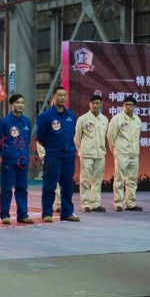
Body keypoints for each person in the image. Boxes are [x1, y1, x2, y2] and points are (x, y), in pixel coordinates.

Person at [36, 86, 80, 223]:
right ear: (53, 97)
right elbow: (40, 136)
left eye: (64, 95)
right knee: (50, 185)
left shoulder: (71, 115)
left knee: (67, 186)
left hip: (68, 155)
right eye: (59, 95)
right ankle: (47, 213)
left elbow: (72, 133)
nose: (62, 98)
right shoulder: (46, 116)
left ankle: (67, 212)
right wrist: (52, 147)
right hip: (53, 155)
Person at [0, 94, 33, 225]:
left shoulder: (27, 122)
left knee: (22, 188)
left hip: (22, 161)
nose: (20, 105)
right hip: (9, 161)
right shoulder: (4, 122)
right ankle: (5, 214)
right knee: (6, 189)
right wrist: (5, 153)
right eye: (17, 102)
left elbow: (27, 140)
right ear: (11, 104)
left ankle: (23, 214)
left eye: (22, 102)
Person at [107, 95, 143, 212]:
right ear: (123, 105)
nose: (128, 107)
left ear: (134, 107)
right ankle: (118, 203)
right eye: (126, 104)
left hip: (134, 154)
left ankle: (131, 203)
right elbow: (110, 136)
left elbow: (137, 137)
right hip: (121, 153)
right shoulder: (117, 118)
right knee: (119, 179)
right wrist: (115, 149)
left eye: (131, 105)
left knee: (132, 180)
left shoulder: (137, 119)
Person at [74, 94, 108, 213]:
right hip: (87, 154)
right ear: (89, 104)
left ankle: (96, 204)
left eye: (97, 103)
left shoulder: (104, 119)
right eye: (93, 103)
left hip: (100, 154)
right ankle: (85, 204)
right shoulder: (82, 119)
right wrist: (82, 150)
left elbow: (105, 136)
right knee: (85, 179)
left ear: (101, 104)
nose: (95, 105)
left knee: (97, 180)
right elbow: (77, 138)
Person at [36, 142, 61, 212]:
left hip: (59, 156)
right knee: (50, 182)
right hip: (48, 157)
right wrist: (43, 156)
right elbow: (39, 140)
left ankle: (59, 203)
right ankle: (49, 206)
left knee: (59, 180)